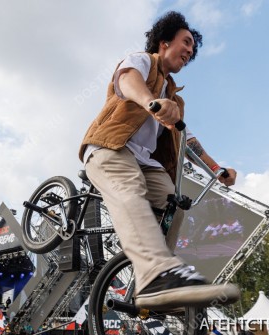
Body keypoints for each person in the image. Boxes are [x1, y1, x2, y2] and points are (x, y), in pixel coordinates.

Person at [78, 11, 239, 310]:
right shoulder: (143, 61)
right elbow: (128, 80)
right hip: (111, 146)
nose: (190, 51)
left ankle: (162, 284)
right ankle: (156, 273)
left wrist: (216, 170)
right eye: (186, 42)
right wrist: (150, 102)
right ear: (164, 42)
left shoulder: (175, 100)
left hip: (145, 161)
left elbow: (187, 140)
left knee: (174, 205)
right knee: (129, 188)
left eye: (193, 49)